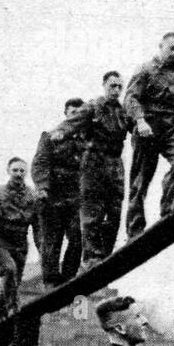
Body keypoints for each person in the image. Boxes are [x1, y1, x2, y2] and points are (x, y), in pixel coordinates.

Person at [56, 70, 135, 269]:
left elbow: (135, 127)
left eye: (119, 87)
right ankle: (91, 257)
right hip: (94, 162)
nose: (116, 90)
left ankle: (105, 257)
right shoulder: (93, 106)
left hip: (115, 164)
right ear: (104, 85)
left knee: (114, 211)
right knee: (92, 211)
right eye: (112, 86)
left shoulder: (123, 111)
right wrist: (60, 132)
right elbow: (72, 123)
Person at [124, 32, 174, 239]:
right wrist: (140, 120)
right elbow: (130, 98)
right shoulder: (145, 69)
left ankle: (169, 212)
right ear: (161, 46)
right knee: (140, 180)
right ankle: (135, 228)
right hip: (148, 127)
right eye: (172, 48)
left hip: (170, 127)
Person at [31, 98, 85, 287]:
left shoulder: (88, 141)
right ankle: (51, 281)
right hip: (53, 196)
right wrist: (42, 188)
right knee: (51, 242)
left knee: (79, 237)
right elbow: (40, 163)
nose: (76, 117)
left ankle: (68, 278)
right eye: (73, 113)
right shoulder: (50, 136)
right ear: (66, 115)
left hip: (77, 198)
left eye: (80, 114)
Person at [0, 157, 39, 324]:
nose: (18, 174)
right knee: (9, 270)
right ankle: (13, 308)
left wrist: (43, 251)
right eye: (15, 170)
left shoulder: (32, 196)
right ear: (8, 171)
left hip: (20, 245)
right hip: (0, 242)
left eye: (22, 171)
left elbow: (37, 225)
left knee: (11, 285)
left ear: (25, 173)